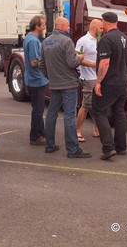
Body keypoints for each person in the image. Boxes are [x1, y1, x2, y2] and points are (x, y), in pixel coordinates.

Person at [41, 17, 90, 158]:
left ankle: (49, 145)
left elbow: (41, 64)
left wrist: (50, 77)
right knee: (69, 115)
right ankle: (73, 149)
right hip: (68, 84)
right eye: (68, 26)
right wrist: (80, 58)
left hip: (55, 83)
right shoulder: (67, 41)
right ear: (62, 26)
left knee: (51, 114)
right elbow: (72, 63)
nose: (69, 28)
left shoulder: (46, 42)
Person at [93, 12, 127, 160]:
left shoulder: (107, 39)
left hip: (110, 82)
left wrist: (98, 81)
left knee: (99, 111)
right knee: (119, 113)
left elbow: (104, 62)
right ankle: (121, 147)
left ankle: (108, 147)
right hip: (122, 81)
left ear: (105, 22)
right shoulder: (124, 37)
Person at [75, 19, 103, 142]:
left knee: (97, 105)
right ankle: (77, 130)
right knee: (86, 105)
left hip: (97, 78)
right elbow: (77, 58)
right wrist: (93, 65)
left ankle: (97, 129)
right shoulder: (83, 41)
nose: (102, 30)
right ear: (94, 28)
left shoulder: (99, 40)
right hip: (88, 78)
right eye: (101, 28)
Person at [23, 15, 49, 146]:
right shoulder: (33, 41)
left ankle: (42, 133)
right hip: (36, 79)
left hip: (34, 79)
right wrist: (47, 58)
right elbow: (34, 62)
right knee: (38, 110)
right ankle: (35, 136)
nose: (45, 26)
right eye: (43, 24)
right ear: (37, 26)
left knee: (38, 108)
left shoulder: (29, 38)